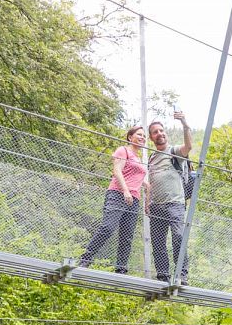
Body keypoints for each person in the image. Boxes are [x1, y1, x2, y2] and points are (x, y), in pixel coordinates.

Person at [80, 126, 147, 274]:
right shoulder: (123, 150)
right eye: (139, 134)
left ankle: (121, 268)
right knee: (108, 227)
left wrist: (147, 186)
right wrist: (125, 190)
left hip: (134, 199)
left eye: (144, 136)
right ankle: (86, 258)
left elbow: (135, 177)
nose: (142, 138)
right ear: (130, 137)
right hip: (118, 194)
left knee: (127, 235)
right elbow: (117, 171)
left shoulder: (139, 159)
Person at [146, 111, 193, 283]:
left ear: (165, 133)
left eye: (161, 130)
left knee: (178, 237)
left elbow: (188, 147)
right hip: (156, 206)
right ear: (151, 137)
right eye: (155, 132)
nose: (159, 134)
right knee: (158, 243)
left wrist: (184, 124)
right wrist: (147, 202)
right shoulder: (151, 158)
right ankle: (163, 276)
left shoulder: (174, 152)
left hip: (175, 204)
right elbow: (151, 181)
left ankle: (181, 273)